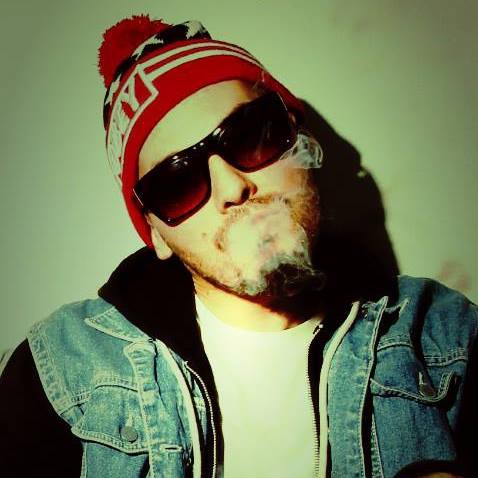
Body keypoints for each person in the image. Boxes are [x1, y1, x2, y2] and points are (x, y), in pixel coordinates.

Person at [0, 14, 476, 478]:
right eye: (177, 183)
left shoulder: (447, 337)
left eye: (250, 136)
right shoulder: (61, 370)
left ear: (299, 138)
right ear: (157, 234)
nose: (232, 187)